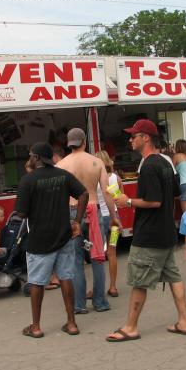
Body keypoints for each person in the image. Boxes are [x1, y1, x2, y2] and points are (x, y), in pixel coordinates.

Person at [106, 119, 186, 342]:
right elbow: (175, 191)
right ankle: (185, 321)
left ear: (145, 138)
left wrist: (128, 201)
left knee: (139, 281)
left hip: (150, 234)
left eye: (134, 136)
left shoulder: (148, 166)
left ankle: (130, 327)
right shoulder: (166, 162)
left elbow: (154, 201)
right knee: (174, 277)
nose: (130, 140)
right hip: (166, 232)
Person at [16, 142, 88, 338]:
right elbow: (83, 193)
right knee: (66, 277)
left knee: (37, 282)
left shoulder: (28, 180)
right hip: (64, 236)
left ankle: (36, 327)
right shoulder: (63, 175)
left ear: (37, 158)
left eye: (31, 155)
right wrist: (77, 221)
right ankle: (71, 323)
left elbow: (21, 213)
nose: (29, 158)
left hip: (39, 240)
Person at [56, 128, 119, 314]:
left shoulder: (61, 165)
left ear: (69, 144)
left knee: (75, 259)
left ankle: (79, 304)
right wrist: (114, 216)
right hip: (93, 210)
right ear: (84, 142)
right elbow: (107, 192)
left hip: (71, 213)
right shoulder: (96, 162)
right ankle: (100, 302)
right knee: (97, 257)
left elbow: (58, 195)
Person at [94, 150, 123, 297]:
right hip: (114, 219)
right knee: (112, 253)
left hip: (98, 219)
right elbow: (119, 198)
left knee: (97, 254)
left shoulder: (94, 179)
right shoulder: (115, 178)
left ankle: (96, 288)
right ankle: (113, 286)